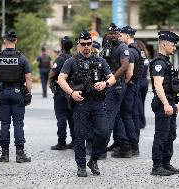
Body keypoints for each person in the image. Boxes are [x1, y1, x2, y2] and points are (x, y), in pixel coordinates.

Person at [57, 31, 116, 177]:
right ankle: (81, 165)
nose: (86, 47)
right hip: (81, 103)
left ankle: (94, 160)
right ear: (78, 45)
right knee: (80, 136)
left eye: (89, 44)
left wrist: (105, 83)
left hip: (97, 103)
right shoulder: (71, 61)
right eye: (83, 44)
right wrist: (71, 92)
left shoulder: (100, 61)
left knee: (104, 133)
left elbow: (112, 78)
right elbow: (61, 79)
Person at [0, 31, 32, 163]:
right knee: (18, 123)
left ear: (5, 41)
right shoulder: (22, 58)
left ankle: (5, 155)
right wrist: (28, 94)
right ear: (16, 40)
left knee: (4, 123)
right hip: (18, 92)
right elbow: (29, 79)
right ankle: (20, 155)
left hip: (3, 93)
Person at [150, 31, 179, 176]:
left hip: (170, 102)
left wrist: (174, 103)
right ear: (164, 44)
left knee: (170, 135)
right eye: (172, 45)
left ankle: (166, 163)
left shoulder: (166, 61)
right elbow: (158, 85)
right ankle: (157, 167)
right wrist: (166, 104)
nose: (174, 47)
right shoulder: (158, 63)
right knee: (161, 136)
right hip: (163, 104)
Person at [110, 25, 140, 158]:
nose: (119, 37)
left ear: (128, 36)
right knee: (128, 116)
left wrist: (123, 84)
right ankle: (124, 144)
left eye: (121, 35)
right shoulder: (136, 48)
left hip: (128, 87)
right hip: (134, 86)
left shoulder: (129, 50)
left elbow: (129, 73)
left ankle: (131, 146)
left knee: (125, 116)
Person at [101, 23, 130, 155]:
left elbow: (125, 66)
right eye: (110, 33)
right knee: (116, 116)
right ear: (107, 34)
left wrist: (110, 80)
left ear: (119, 34)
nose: (113, 35)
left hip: (116, 85)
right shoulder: (107, 46)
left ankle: (100, 150)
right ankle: (124, 145)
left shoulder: (122, 46)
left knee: (108, 116)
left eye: (115, 33)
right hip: (108, 84)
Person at [49, 36, 74, 150]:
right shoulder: (75, 57)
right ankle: (74, 141)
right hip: (72, 91)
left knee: (61, 117)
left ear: (62, 46)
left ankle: (62, 142)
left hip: (60, 91)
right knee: (72, 117)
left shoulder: (60, 58)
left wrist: (50, 84)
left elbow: (52, 74)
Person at [136, 40, 151, 129]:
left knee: (138, 104)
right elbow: (148, 71)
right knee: (142, 103)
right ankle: (143, 122)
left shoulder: (136, 55)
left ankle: (140, 123)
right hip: (145, 81)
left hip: (138, 80)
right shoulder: (146, 57)